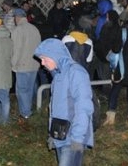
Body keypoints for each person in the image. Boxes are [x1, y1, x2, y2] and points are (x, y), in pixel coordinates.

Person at [34, 38, 94, 166]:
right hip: (60, 136)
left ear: (55, 55)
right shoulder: (58, 76)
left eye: (44, 59)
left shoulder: (76, 72)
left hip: (73, 138)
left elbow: (84, 107)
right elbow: (55, 109)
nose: (42, 63)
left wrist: (77, 139)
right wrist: (53, 134)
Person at [10, 7, 41, 120]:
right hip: (34, 64)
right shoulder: (34, 29)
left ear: (17, 18)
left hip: (22, 65)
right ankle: (28, 110)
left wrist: (13, 64)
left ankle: (25, 114)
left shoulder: (18, 30)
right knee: (29, 89)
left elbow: (16, 49)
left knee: (22, 90)